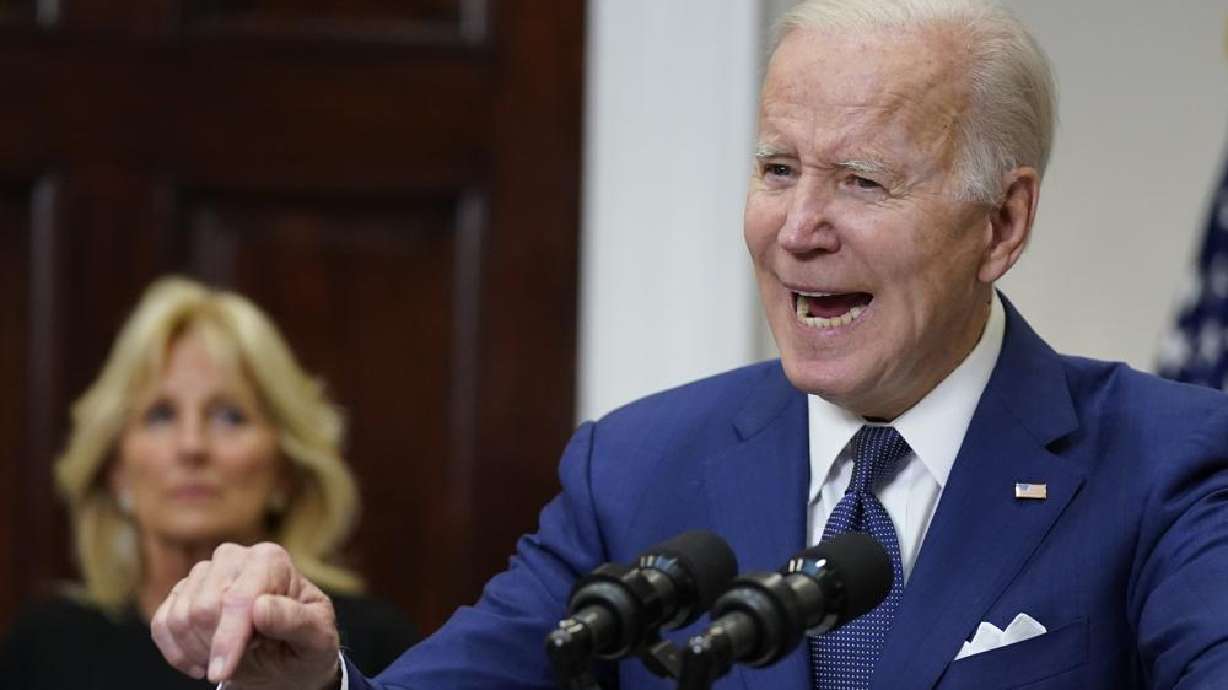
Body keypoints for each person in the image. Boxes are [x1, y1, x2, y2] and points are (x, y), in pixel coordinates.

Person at [150, 1, 1228, 689]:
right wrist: (311, 683)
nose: (797, 227)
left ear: (1001, 224)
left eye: (860, 180)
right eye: (775, 169)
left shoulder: (1163, 464)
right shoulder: (637, 467)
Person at [0, 277, 418, 689]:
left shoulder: (360, 649)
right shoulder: (44, 647)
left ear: (285, 471)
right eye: (160, 415)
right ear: (117, 469)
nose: (192, 446)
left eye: (229, 416)